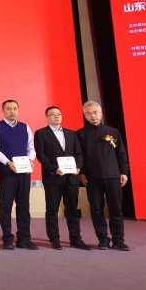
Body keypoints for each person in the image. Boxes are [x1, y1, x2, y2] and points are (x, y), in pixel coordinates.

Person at [34, 106, 90, 250]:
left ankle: (76, 239)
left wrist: (78, 167)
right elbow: (41, 155)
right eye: (52, 114)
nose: (56, 116)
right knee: (52, 210)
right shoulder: (41, 133)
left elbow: (79, 153)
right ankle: (54, 239)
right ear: (46, 117)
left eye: (59, 114)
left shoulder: (71, 133)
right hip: (53, 177)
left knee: (73, 210)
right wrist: (54, 168)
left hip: (71, 178)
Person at [77, 101, 130, 251]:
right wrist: (81, 172)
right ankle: (103, 239)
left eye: (95, 112)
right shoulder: (80, 134)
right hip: (92, 178)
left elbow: (121, 153)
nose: (92, 115)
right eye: (89, 113)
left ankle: (118, 240)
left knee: (116, 209)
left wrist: (124, 172)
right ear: (85, 115)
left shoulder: (112, 132)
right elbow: (78, 156)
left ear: (100, 113)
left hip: (113, 176)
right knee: (96, 210)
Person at [0, 100, 38, 250]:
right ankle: (7, 239)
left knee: (24, 205)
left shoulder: (25, 127)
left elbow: (31, 147)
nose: (12, 111)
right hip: (6, 171)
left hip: (24, 171)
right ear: (3, 111)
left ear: (18, 110)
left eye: (15, 109)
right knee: (6, 206)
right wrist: (8, 162)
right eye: (9, 109)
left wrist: (30, 160)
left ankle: (24, 238)